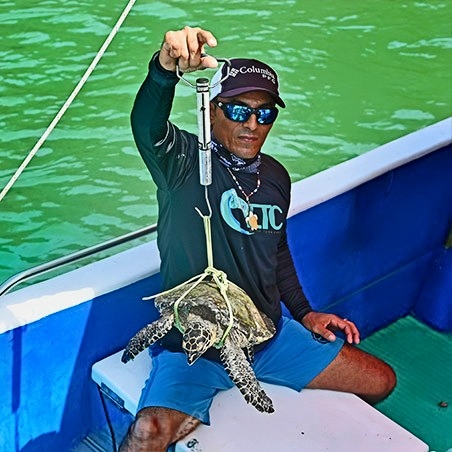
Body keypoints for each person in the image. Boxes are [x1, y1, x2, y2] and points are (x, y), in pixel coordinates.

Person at [120, 26, 396, 452]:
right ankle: (197, 396)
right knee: (147, 435)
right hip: (196, 351)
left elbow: (276, 248)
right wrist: (163, 70)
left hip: (269, 339)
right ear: (211, 111)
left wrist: (305, 313)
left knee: (381, 381)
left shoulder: (275, 177)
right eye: (237, 110)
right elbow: (146, 125)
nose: (252, 124)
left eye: (264, 113)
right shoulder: (183, 165)